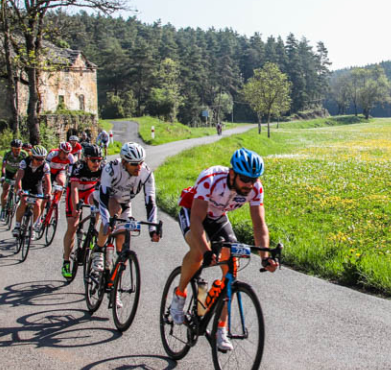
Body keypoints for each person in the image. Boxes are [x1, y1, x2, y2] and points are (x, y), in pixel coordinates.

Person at [170, 148, 278, 352]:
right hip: (193, 211)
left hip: (218, 216)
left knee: (231, 267)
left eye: (254, 179)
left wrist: (265, 256)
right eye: (245, 178)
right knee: (199, 252)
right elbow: (196, 220)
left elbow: (259, 223)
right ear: (232, 173)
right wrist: (207, 250)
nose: (250, 184)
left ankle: (221, 329)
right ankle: (180, 294)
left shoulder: (255, 188)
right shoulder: (210, 179)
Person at [91, 142, 160, 288]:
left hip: (124, 203)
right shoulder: (111, 169)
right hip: (103, 198)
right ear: (124, 162)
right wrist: (107, 222)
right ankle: (98, 250)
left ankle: (114, 284)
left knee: (123, 237)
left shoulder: (146, 174)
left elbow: (150, 201)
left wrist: (153, 229)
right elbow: (103, 198)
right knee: (113, 211)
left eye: (141, 162)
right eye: (134, 164)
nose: (139, 167)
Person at [61, 144, 104, 279]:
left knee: (98, 205)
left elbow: (103, 189)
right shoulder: (78, 167)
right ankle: (66, 261)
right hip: (76, 192)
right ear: (86, 159)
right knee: (73, 225)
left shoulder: (103, 168)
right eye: (93, 160)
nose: (96, 163)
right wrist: (75, 208)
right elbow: (73, 189)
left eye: (99, 160)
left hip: (89, 191)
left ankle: (92, 229)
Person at [12, 145, 51, 236]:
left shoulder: (45, 165)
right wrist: (19, 190)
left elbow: (48, 182)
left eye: (42, 159)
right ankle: (17, 226)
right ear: (32, 157)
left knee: (38, 204)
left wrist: (48, 193)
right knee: (24, 201)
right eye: (38, 159)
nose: (40, 161)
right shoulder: (24, 162)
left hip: (37, 185)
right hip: (25, 184)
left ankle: (32, 227)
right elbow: (19, 179)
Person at [0, 139, 26, 220]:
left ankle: (18, 200)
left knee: (20, 188)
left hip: (19, 172)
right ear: (11, 148)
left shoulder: (24, 154)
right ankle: (3, 210)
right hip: (9, 172)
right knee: (5, 190)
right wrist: (3, 175)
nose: (17, 151)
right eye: (15, 149)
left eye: (18, 149)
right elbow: (4, 165)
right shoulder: (7, 153)